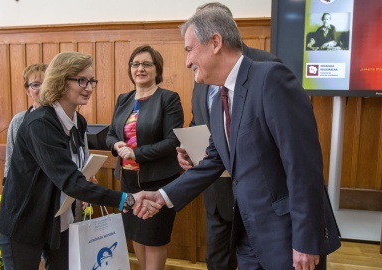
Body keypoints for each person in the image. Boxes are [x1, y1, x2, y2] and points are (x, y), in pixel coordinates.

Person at [133, 8, 341, 270]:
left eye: (189, 50)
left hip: (287, 239)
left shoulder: (271, 78)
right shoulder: (218, 99)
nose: (187, 62)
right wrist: (162, 196)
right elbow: (214, 160)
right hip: (247, 236)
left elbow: (303, 166)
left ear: (215, 43)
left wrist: (307, 240)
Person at [0, 51, 158, 270]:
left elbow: (72, 171)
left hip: (58, 220)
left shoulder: (78, 121)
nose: (89, 88)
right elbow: (69, 181)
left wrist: (84, 176)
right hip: (25, 222)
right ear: (60, 81)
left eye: (91, 81)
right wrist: (127, 200)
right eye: (81, 80)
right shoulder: (40, 123)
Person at [175, 3, 282, 270]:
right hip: (216, 192)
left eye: (191, 48)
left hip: (261, 200)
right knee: (218, 261)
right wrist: (188, 148)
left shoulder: (268, 68)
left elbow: (293, 151)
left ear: (218, 36)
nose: (188, 61)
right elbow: (201, 124)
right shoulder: (202, 82)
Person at [106, 45, 184, 270]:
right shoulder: (123, 99)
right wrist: (116, 144)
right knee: (136, 235)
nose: (140, 68)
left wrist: (136, 153)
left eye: (146, 64)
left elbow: (172, 141)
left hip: (158, 182)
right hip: (128, 180)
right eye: (135, 64)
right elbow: (110, 133)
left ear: (157, 68)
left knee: (154, 237)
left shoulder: (168, 99)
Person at [3, 63, 47, 185]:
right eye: (36, 85)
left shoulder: (67, 118)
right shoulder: (19, 120)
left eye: (47, 83)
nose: (42, 88)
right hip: (26, 187)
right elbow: (10, 159)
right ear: (28, 90)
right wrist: (6, 189)